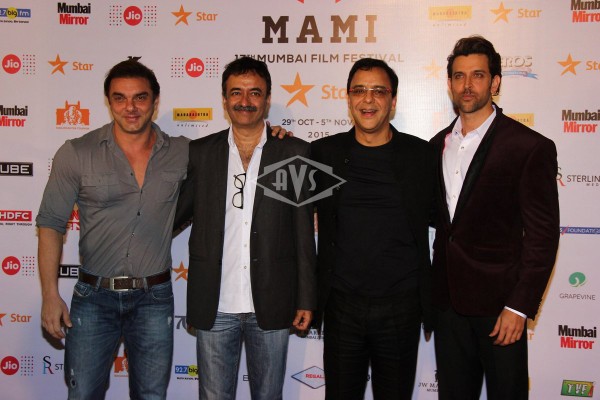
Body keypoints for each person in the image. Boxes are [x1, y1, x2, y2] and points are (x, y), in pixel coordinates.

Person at [37, 59, 188, 399]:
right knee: (83, 394)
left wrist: (275, 137)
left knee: (151, 396)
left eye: (140, 97)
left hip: (154, 298)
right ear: (108, 102)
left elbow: (235, 152)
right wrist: (49, 295)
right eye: (120, 98)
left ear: (155, 100)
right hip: (93, 298)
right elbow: (50, 224)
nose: (130, 107)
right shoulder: (76, 152)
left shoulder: (183, 152)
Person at [174, 56, 316, 400]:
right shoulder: (199, 153)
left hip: (272, 301)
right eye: (236, 92)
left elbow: (303, 233)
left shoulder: (295, 151)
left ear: (267, 99)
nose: (245, 101)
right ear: (224, 100)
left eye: (255, 92)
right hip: (215, 303)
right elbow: (175, 214)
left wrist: (306, 298)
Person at [429, 35, 560, 400]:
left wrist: (519, 306)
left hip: (501, 308)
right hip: (448, 307)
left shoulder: (528, 146)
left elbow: (543, 236)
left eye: (478, 75)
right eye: (458, 76)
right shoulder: (436, 145)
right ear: (450, 83)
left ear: (495, 82)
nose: (467, 85)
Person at [311, 58, 436, 399]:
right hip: (341, 306)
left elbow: (446, 219)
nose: (368, 99)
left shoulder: (422, 155)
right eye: (359, 90)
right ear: (348, 98)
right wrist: (274, 135)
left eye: (379, 91)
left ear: (393, 101)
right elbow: (284, 207)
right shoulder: (322, 153)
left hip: (401, 306)